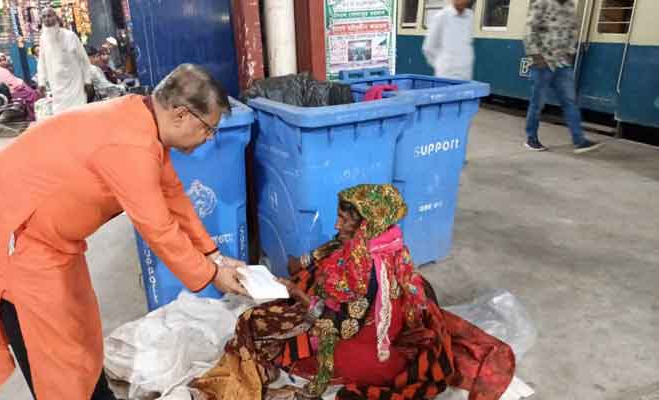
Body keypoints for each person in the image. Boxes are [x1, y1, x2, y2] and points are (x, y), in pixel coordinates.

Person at [0, 64, 247, 400]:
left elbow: (174, 198)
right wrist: (212, 275)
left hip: (54, 237)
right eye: (209, 129)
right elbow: (158, 228)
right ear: (182, 114)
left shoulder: (144, 123)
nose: (208, 139)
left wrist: (215, 256)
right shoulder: (130, 145)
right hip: (12, 227)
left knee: (80, 330)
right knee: (54, 353)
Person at [190, 184, 516, 400]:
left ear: (364, 226)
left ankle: (256, 377)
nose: (337, 225)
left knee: (252, 322)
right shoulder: (387, 245)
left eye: (344, 220)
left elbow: (340, 326)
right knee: (303, 280)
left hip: (362, 354)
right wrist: (298, 272)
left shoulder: (366, 271)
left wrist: (297, 293)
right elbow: (325, 255)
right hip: (375, 337)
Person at [523, 0, 602, 153]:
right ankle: (531, 138)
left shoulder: (570, 6)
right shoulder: (542, 3)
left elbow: (573, 31)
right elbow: (529, 31)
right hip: (543, 62)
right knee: (537, 103)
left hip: (562, 63)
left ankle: (579, 140)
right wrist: (536, 56)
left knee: (570, 102)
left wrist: (571, 52)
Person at [37, 7, 93, 114]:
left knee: (79, 113)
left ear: (56, 17)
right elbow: (41, 63)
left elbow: (84, 60)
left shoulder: (70, 36)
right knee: (61, 116)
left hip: (75, 84)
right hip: (57, 87)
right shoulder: (43, 39)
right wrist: (41, 82)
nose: (47, 19)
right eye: (44, 17)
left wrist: (87, 81)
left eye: (49, 16)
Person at [422, 0, 474, 80]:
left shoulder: (470, 16)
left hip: (465, 74)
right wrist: (441, 65)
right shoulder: (441, 17)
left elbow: (467, 43)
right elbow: (428, 47)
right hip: (446, 75)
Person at [0, 52, 41, 120]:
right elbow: (10, 85)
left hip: (8, 92)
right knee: (32, 94)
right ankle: (33, 115)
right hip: (9, 94)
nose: (3, 62)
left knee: (31, 91)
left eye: (4, 59)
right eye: (0, 61)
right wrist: (21, 84)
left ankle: (32, 114)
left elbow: (11, 82)